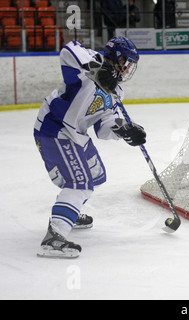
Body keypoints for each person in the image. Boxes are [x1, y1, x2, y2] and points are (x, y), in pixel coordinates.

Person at [34, 37, 145, 258]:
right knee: (79, 183)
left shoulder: (117, 92)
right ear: (117, 58)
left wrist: (125, 130)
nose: (128, 68)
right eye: (127, 62)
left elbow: (104, 128)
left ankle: (69, 211)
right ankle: (55, 236)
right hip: (55, 128)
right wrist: (97, 69)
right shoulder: (92, 60)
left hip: (76, 135)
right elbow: (68, 50)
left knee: (96, 175)